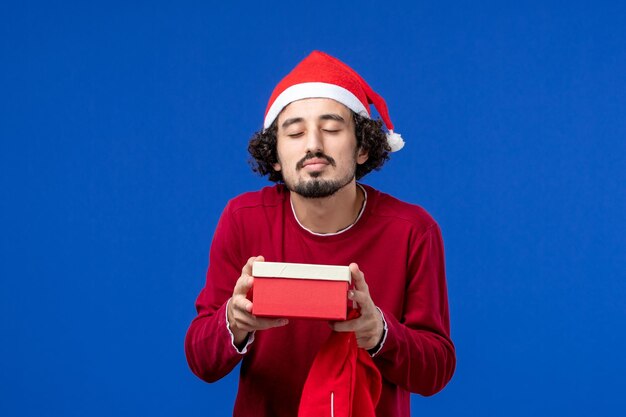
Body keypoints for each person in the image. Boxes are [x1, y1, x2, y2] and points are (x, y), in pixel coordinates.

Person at [185, 50, 455, 417]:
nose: (313, 144)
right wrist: (233, 321)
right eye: (295, 132)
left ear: (362, 147)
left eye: (331, 129)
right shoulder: (242, 218)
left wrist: (379, 333)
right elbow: (202, 362)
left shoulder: (413, 230)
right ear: (275, 155)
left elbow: (436, 371)